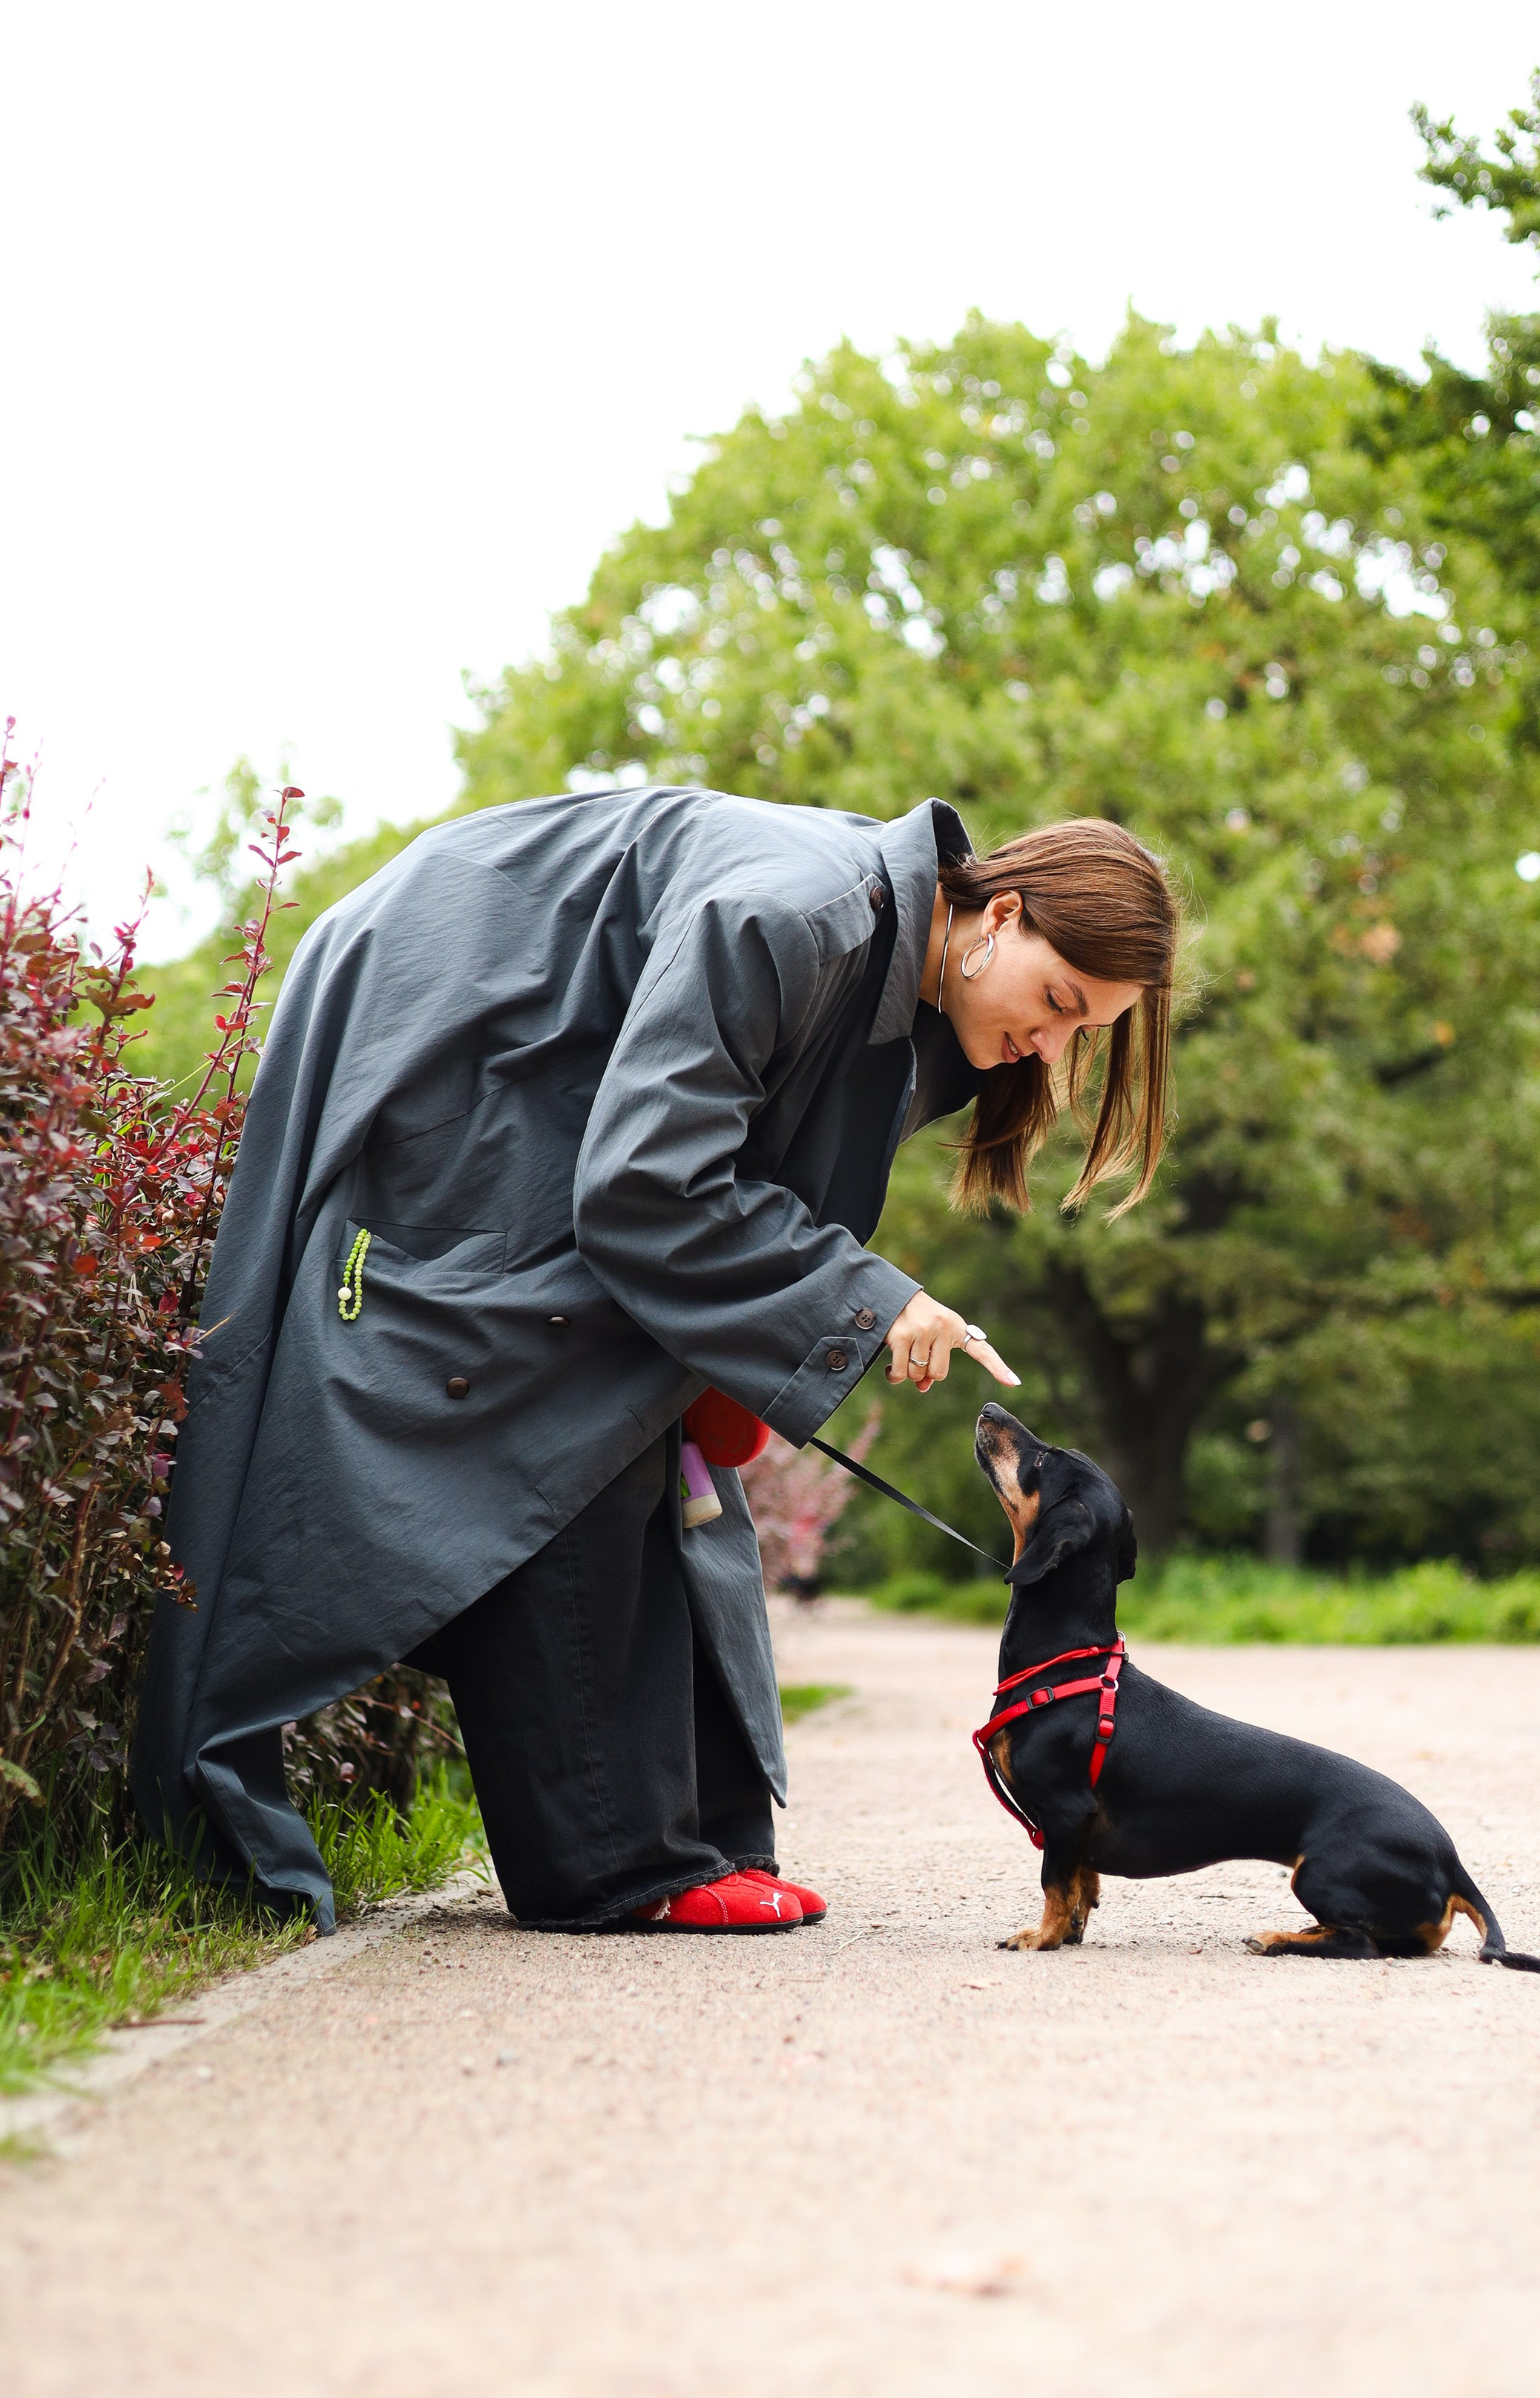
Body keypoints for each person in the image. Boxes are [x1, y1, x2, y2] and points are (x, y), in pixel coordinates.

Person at [132, 786, 1179, 1935]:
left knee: (647, 1398)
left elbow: (727, 1167)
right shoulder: (798, 917)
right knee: (556, 1374)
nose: (1055, 1044)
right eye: (1062, 1002)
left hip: (546, 1058)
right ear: (1003, 913)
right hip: (446, 1009)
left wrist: (743, 1360)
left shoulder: (911, 979)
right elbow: (642, 1187)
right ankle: (613, 1860)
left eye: (1086, 1031)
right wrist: (866, 1302)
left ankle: (687, 1835)